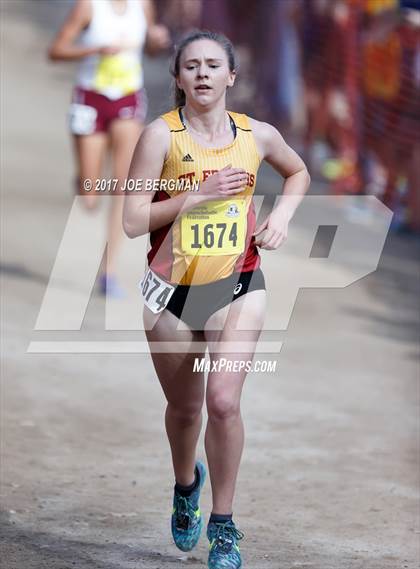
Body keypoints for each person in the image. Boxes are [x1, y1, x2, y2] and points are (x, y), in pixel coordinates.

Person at [123, 31, 310, 568]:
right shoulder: (161, 137)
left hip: (237, 283)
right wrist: (195, 196)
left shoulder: (258, 136)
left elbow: (297, 172)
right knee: (185, 410)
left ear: (231, 76)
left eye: (212, 65)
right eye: (191, 66)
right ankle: (187, 488)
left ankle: (224, 525)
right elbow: (133, 221)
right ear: (178, 78)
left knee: (223, 402)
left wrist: (282, 216)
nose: (202, 74)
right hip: (172, 291)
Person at [48, 0, 170, 297]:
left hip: (127, 99)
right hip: (91, 98)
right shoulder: (89, 7)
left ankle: (108, 272)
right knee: (90, 196)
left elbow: (151, 51)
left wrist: (156, 41)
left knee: (123, 186)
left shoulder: (143, 6)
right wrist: (94, 49)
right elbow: (56, 50)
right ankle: (84, 184)